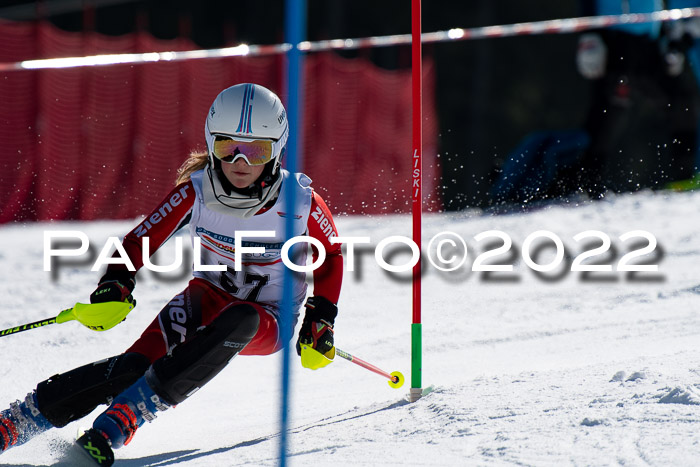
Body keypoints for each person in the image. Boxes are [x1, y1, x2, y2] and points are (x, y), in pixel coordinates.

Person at [0, 83, 343, 465]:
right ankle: (15, 423)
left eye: (256, 149)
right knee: (133, 368)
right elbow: (139, 240)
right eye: (227, 147)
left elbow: (331, 256)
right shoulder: (196, 192)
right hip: (205, 298)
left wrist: (321, 316)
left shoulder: (299, 202)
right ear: (211, 144)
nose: (240, 161)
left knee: (241, 318)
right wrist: (117, 281)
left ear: (276, 149)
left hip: (268, 319)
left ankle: (120, 422)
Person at [576, 0, 699, 196]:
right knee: (609, 115)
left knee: (681, 101)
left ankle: (682, 179)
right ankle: (586, 185)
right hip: (614, 42)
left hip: (650, 42)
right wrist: (590, 34)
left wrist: (670, 36)